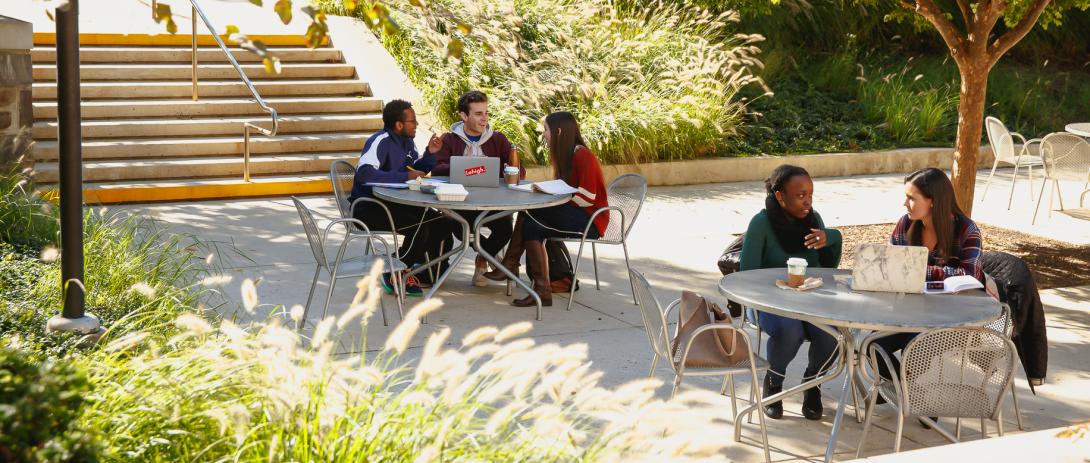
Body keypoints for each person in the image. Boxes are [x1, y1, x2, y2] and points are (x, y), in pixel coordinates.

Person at [739, 164, 842, 420]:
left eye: (810, 194)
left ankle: (812, 382)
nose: (807, 201)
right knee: (789, 330)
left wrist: (831, 238)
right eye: (800, 195)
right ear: (780, 197)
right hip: (767, 301)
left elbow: (827, 270)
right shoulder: (761, 223)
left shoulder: (813, 219)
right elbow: (746, 275)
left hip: (811, 299)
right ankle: (774, 382)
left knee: (833, 332)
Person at [484, 111, 608, 307]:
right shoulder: (564, 154)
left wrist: (553, 198)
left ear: (558, 132)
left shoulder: (582, 155)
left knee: (530, 212)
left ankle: (511, 265)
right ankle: (541, 290)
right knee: (532, 224)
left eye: (546, 130)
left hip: (590, 219)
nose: (544, 135)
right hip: (575, 213)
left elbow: (587, 197)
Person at [873, 167, 985, 379]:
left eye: (911, 198)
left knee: (914, 351)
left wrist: (916, 269)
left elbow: (970, 275)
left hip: (953, 320)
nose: (905, 204)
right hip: (910, 312)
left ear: (932, 200)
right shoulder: (906, 223)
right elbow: (892, 265)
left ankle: (903, 395)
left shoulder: (967, 230)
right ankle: (904, 395)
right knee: (872, 343)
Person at [348, 99, 457, 297]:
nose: (416, 125)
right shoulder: (380, 141)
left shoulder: (407, 142)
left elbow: (416, 171)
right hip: (369, 208)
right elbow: (364, 173)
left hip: (396, 203)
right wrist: (405, 176)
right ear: (399, 124)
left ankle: (429, 271)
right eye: (413, 121)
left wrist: (430, 154)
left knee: (443, 222)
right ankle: (395, 269)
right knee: (420, 226)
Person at [425, 90, 523, 287]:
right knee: (460, 229)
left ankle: (482, 261)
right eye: (478, 114)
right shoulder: (449, 139)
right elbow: (435, 169)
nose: (484, 118)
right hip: (460, 203)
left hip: (493, 203)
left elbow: (520, 173)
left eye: (486, 113)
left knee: (505, 228)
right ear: (463, 116)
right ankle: (493, 261)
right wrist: (466, 166)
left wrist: (499, 169)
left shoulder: (498, 139)